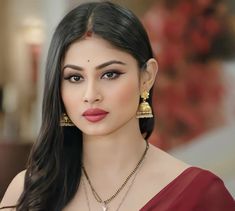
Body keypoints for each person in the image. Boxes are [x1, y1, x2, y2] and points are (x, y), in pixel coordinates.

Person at [0, 1, 234, 211]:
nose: (91, 95)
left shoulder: (201, 196)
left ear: (147, 77)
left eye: (110, 74)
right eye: (74, 78)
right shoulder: (26, 193)